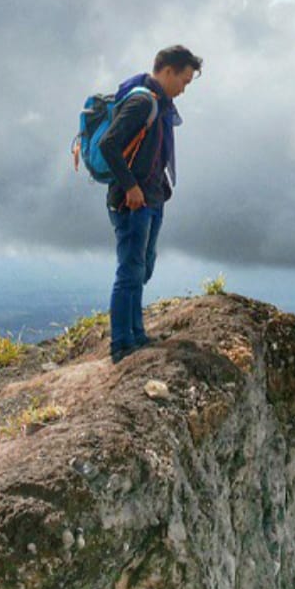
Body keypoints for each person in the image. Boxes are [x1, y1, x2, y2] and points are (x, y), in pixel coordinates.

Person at [98, 45, 202, 363]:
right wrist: (130, 187)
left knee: (142, 267)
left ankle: (136, 335)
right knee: (130, 270)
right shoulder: (143, 101)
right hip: (133, 201)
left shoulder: (160, 104)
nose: (184, 89)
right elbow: (108, 144)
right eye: (184, 80)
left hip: (152, 198)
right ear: (168, 71)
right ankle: (121, 344)